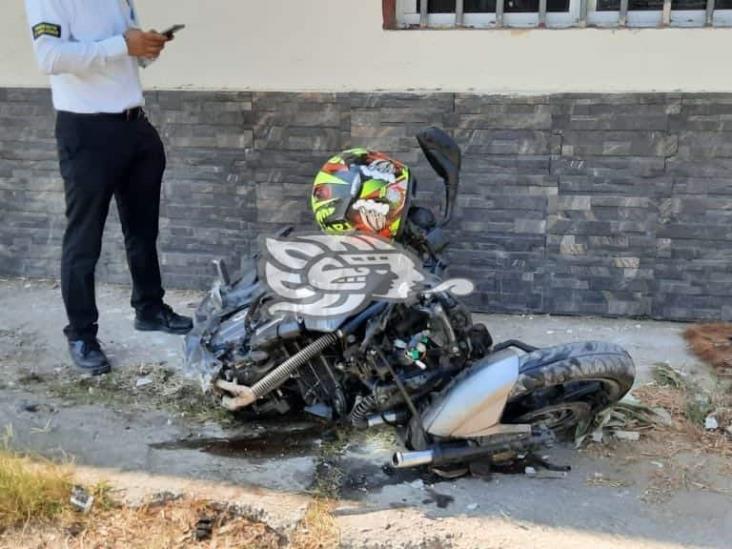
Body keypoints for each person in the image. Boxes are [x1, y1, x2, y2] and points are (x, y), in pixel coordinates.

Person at [24, 0, 193, 376]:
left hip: (135, 126)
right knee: (84, 241)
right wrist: (122, 45)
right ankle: (82, 334)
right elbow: (49, 57)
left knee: (143, 229)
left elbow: (121, 55)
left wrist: (146, 48)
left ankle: (149, 308)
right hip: (86, 131)